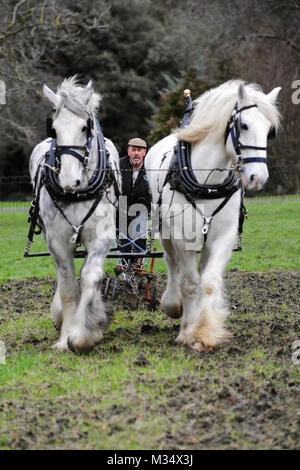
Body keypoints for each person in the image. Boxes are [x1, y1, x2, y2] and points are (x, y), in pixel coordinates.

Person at [118, 138, 151, 262]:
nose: (136, 153)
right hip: (122, 207)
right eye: (133, 150)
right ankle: (125, 269)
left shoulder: (150, 166)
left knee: (139, 240)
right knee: (124, 241)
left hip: (141, 206)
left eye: (139, 150)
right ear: (128, 152)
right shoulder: (119, 164)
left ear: (144, 152)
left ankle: (138, 268)